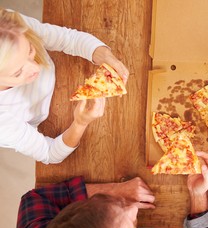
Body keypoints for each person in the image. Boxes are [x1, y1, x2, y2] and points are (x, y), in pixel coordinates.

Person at [16, 152, 208, 228]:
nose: (133, 208)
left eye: (115, 205)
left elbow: (35, 200)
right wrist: (198, 195)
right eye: (131, 223)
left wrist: (114, 190)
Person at [0, 8, 129, 164]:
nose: (35, 68)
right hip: (47, 119)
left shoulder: (8, 26)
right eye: (17, 73)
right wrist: (80, 123)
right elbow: (50, 153)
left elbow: (69, 39)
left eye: (30, 50)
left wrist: (105, 56)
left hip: (63, 71)